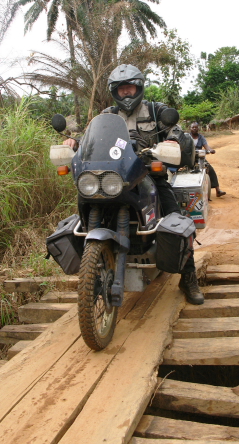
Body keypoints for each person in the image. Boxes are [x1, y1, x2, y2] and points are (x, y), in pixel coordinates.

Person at [64, 64, 204, 305]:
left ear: (138, 87)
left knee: (177, 217)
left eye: (129, 87)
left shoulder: (155, 110)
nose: (126, 93)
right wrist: (73, 143)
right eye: (121, 89)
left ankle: (189, 277)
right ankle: (90, 266)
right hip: (113, 178)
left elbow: (176, 131)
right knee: (82, 208)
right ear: (114, 93)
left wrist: (171, 140)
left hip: (149, 174)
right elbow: (89, 138)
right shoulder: (106, 115)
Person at [190, 122, 226, 198]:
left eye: (196, 127)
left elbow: (206, 146)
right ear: (190, 128)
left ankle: (218, 190)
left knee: (211, 170)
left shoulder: (201, 137)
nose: (194, 128)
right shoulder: (187, 137)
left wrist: (210, 150)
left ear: (198, 128)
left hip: (200, 157)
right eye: (193, 127)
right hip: (189, 158)